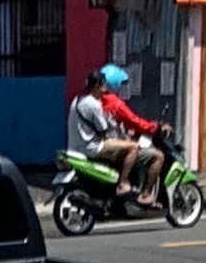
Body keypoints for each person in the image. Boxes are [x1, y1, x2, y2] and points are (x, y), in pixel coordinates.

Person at [69, 64, 167, 206]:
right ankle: (142, 193)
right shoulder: (112, 103)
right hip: (97, 145)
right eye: (120, 84)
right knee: (156, 155)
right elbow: (134, 121)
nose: (121, 88)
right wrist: (155, 127)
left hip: (80, 145)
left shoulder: (81, 100)